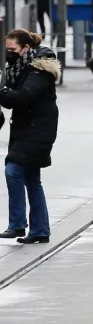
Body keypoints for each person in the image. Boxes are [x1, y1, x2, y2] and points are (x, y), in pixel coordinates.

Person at [0, 30, 59, 244]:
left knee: (13, 170)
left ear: (26, 48)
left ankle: (17, 225)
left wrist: (1, 90)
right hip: (26, 128)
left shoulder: (40, 68)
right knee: (32, 178)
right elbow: (10, 99)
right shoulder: (18, 67)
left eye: (12, 50)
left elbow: (23, 97)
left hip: (38, 130)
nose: (9, 54)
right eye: (6, 50)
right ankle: (40, 230)